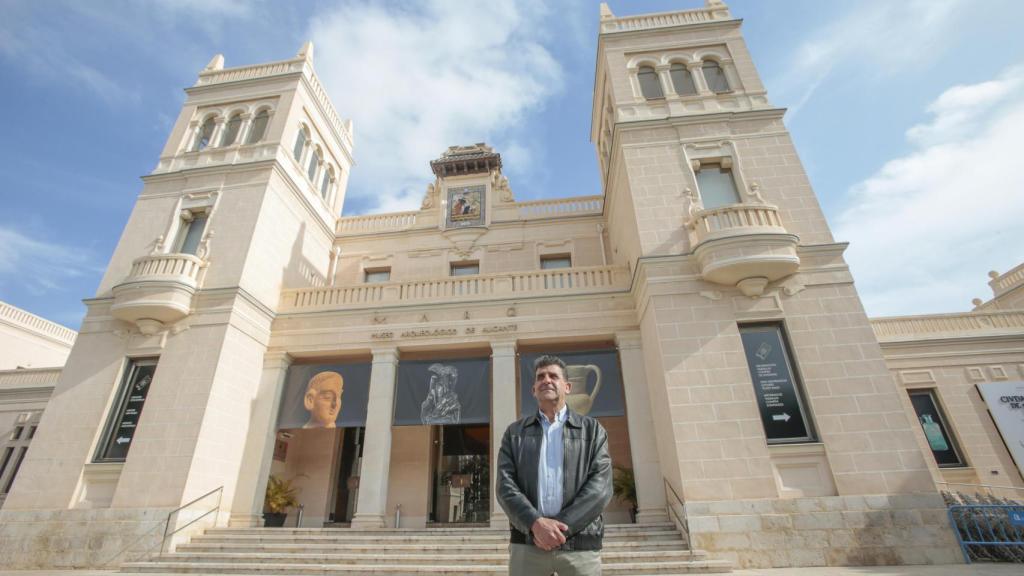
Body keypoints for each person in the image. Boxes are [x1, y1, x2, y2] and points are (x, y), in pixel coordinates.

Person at [497, 355, 612, 576]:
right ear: (533, 390)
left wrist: (559, 528)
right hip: (528, 545)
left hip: (579, 546)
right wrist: (535, 524)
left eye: (553, 376)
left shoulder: (593, 430)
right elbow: (505, 485)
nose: (546, 380)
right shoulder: (514, 433)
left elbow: (600, 488)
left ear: (567, 387)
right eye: (540, 377)